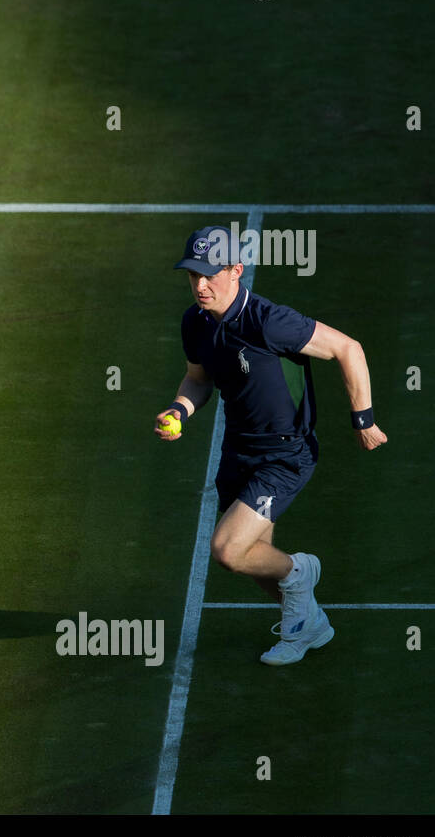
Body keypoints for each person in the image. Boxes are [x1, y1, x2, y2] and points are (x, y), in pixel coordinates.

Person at [155, 226, 388, 665]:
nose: (200, 285)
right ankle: (308, 626)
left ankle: (303, 571)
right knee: (256, 558)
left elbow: (347, 348)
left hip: (285, 454)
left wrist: (364, 419)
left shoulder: (269, 320)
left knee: (229, 550)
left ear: (236, 271)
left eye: (209, 275)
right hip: (238, 449)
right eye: (193, 275)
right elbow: (198, 378)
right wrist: (180, 410)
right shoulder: (195, 322)